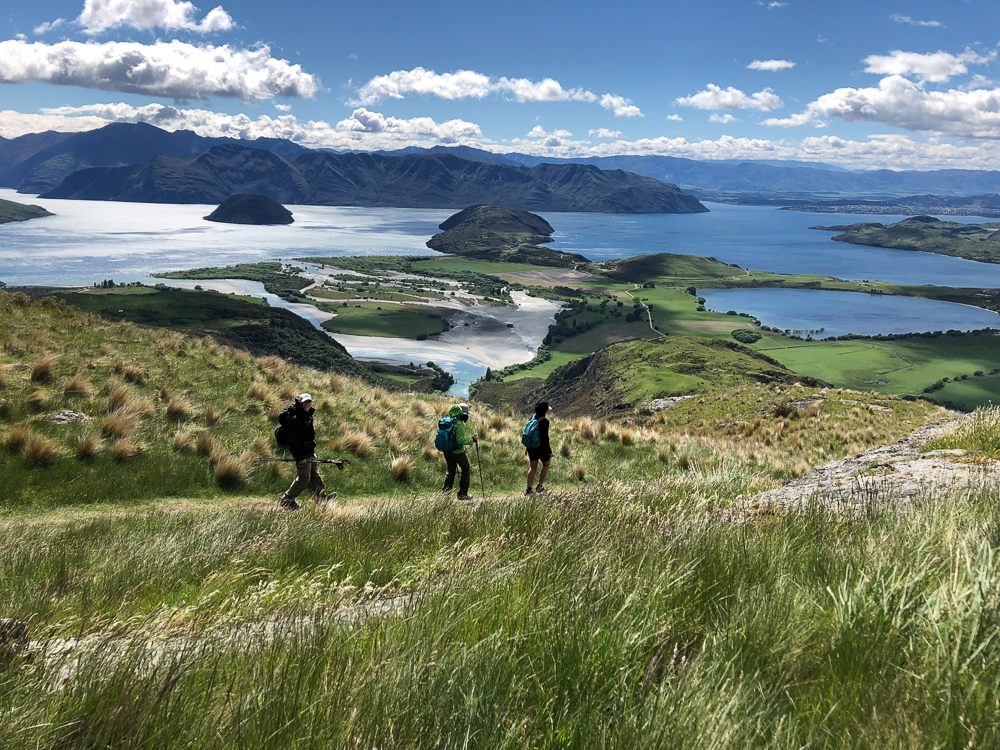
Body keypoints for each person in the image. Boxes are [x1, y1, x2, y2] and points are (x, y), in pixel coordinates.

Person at [278, 393, 337, 511]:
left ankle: (321, 497)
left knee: (314, 475)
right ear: (300, 403)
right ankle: (287, 500)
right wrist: (299, 457)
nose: (307, 404)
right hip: (301, 452)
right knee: (304, 478)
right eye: (305, 402)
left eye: (309, 402)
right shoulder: (297, 419)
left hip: (309, 451)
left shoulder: (308, 416)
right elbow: (293, 440)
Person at [441, 403, 478, 500]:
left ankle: (445, 494)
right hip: (457, 452)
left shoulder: (448, 420)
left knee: (451, 472)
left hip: (447, 451)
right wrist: (472, 440)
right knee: (465, 469)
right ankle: (462, 494)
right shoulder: (459, 423)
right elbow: (460, 440)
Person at [524, 402, 553, 495]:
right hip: (540, 447)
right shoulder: (544, 421)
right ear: (545, 411)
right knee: (546, 464)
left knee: (533, 467)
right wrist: (549, 452)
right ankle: (539, 486)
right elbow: (545, 438)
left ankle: (528, 489)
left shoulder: (532, 418)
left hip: (530, 447)